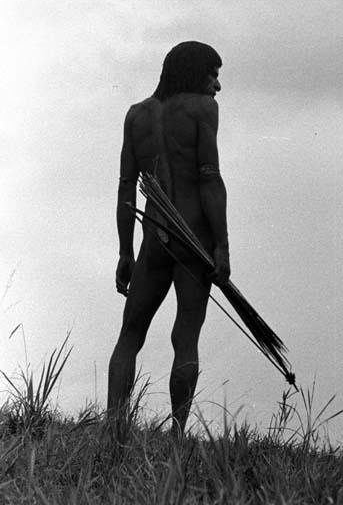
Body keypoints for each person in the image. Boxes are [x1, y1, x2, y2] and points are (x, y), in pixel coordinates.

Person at [107, 41, 231, 439]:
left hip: (153, 239)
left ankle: (115, 428)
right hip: (193, 239)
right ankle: (177, 434)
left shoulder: (136, 115)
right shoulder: (202, 109)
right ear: (195, 74)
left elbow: (127, 191)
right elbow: (209, 179)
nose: (217, 85)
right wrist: (222, 246)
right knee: (186, 335)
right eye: (212, 74)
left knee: (129, 336)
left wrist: (125, 251)